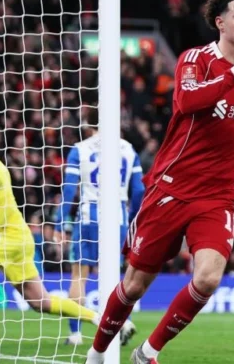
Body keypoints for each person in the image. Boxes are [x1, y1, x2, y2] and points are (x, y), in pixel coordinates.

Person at [85, 0, 234, 364]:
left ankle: (147, 353)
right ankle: (97, 353)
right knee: (135, 285)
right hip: (173, 186)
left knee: (208, 277)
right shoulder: (195, 59)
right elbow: (187, 101)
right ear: (220, 23)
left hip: (218, 194)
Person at [0, 119, 130, 349]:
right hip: (2, 240)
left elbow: (5, 208)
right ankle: (101, 320)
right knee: (41, 302)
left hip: (11, 237)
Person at [55, 118, 146, 346]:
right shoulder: (128, 149)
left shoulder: (81, 148)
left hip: (89, 217)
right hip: (118, 219)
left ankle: (75, 334)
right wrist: (133, 218)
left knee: (79, 276)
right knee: (115, 276)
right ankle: (124, 322)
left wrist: (60, 222)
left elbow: (69, 188)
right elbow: (139, 190)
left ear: (89, 126)